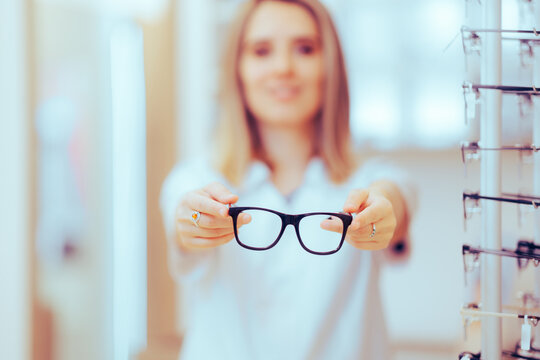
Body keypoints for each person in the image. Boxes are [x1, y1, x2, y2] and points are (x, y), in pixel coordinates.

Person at [160, 0, 415, 359]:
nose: (283, 68)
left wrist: (384, 209)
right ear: (238, 70)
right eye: (262, 51)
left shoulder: (372, 181)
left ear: (330, 68)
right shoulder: (197, 180)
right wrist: (191, 221)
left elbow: (397, 199)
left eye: (305, 49)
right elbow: (182, 214)